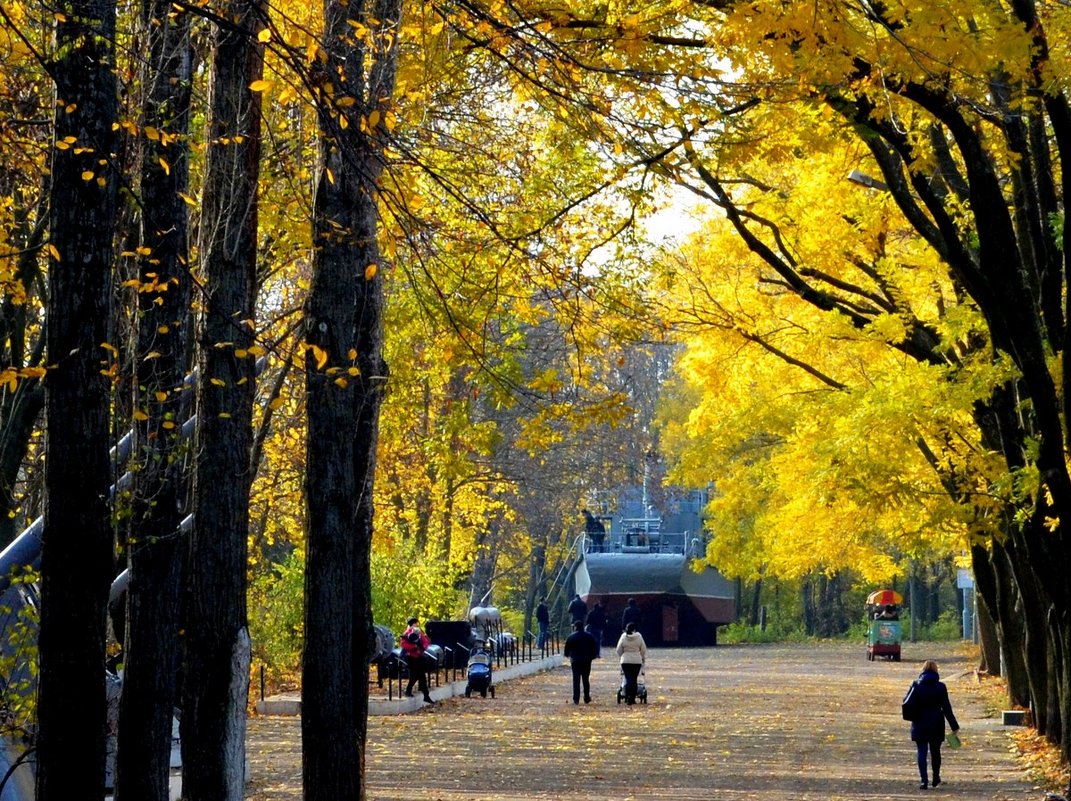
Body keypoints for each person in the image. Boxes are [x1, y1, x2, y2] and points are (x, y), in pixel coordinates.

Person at [907, 659, 960, 789]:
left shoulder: (916, 685)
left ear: (923, 670)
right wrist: (954, 726)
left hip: (919, 722)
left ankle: (923, 780)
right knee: (935, 751)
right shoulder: (941, 687)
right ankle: (936, 777)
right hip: (936, 722)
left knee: (922, 751)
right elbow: (947, 708)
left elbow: (907, 702)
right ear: (936, 670)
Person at [563, 620, 598, 704]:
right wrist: (592, 657)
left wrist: (568, 655)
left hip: (575, 660)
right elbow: (594, 649)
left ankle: (576, 698)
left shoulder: (571, 637)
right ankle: (586, 697)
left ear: (575, 627)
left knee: (576, 679)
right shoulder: (589, 636)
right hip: (586, 660)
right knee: (586, 678)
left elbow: (566, 650)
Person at [400, 617, 434, 704]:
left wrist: (422, 648)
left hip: (418, 657)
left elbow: (425, 642)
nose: (416, 625)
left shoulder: (419, 633)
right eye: (415, 623)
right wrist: (414, 647)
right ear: (412, 624)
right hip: (411, 657)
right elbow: (404, 645)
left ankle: (418, 693)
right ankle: (425, 695)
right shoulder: (407, 633)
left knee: (417, 675)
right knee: (419, 675)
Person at [616, 621, 647, 705]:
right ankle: (632, 698)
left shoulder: (623, 636)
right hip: (636, 661)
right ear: (635, 629)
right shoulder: (639, 636)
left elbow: (618, 649)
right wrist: (641, 656)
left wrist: (623, 655)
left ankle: (627, 696)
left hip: (625, 661)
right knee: (634, 679)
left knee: (628, 677)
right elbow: (643, 649)